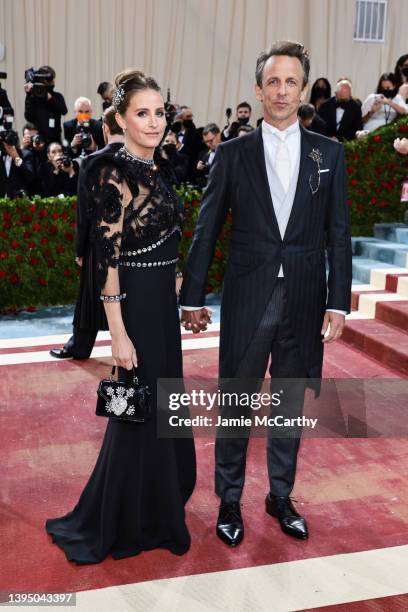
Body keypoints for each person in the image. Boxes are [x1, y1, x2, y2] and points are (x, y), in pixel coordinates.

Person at [180, 40, 352, 547]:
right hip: (248, 294)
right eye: (272, 82)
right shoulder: (231, 155)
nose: (281, 91)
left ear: (304, 90)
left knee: (289, 402)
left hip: (303, 297)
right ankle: (229, 499)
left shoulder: (330, 153)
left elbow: (337, 233)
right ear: (258, 89)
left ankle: (280, 495)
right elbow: (206, 229)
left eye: (291, 82)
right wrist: (192, 297)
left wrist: (338, 301)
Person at [45, 69, 196, 563]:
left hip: (161, 306)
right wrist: (118, 334)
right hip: (132, 305)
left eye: (160, 112)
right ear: (121, 120)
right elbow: (106, 261)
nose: (155, 122)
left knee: (160, 403)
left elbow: (167, 240)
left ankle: (156, 503)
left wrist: (178, 289)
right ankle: (122, 515)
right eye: (143, 114)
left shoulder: (159, 168)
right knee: (135, 410)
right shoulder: (115, 175)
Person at [50, 106, 125, 360]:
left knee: (89, 296)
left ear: (104, 128)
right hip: (134, 241)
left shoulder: (92, 161)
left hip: (99, 241)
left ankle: (79, 347)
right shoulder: (139, 156)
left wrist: (80, 249)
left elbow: (84, 210)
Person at [24, 66, 68, 143]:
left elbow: (64, 111)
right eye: (50, 79)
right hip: (38, 140)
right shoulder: (33, 98)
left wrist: (51, 99)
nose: (53, 81)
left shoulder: (57, 96)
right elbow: (28, 117)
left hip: (54, 140)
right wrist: (28, 95)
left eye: (53, 78)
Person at [20, 122, 47, 194]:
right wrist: (22, 148)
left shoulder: (44, 150)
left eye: (35, 136)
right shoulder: (20, 151)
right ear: (24, 138)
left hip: (42, 191)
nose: (33, 139)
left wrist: (40, 148)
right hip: (27, 190)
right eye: (30, 137)